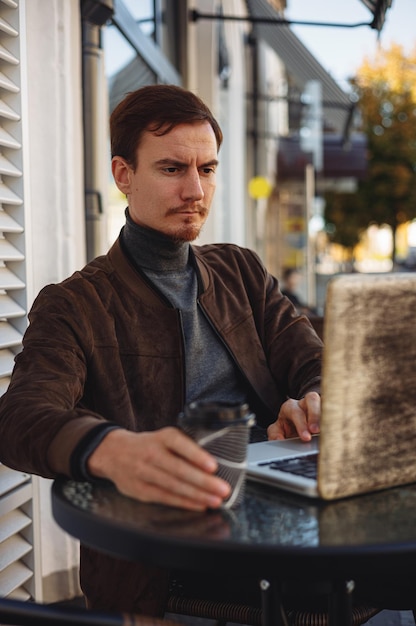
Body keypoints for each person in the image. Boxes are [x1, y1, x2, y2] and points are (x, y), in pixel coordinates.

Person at [0, 85, 322, 617]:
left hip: (282, 529)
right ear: (123, 175)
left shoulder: (240, 270)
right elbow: (19, 418)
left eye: (208, 169)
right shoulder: (76, 304)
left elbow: (312, 361)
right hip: (163, 566)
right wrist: (113, 449)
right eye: (173, 169)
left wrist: (312, 401)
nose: (196, 190)